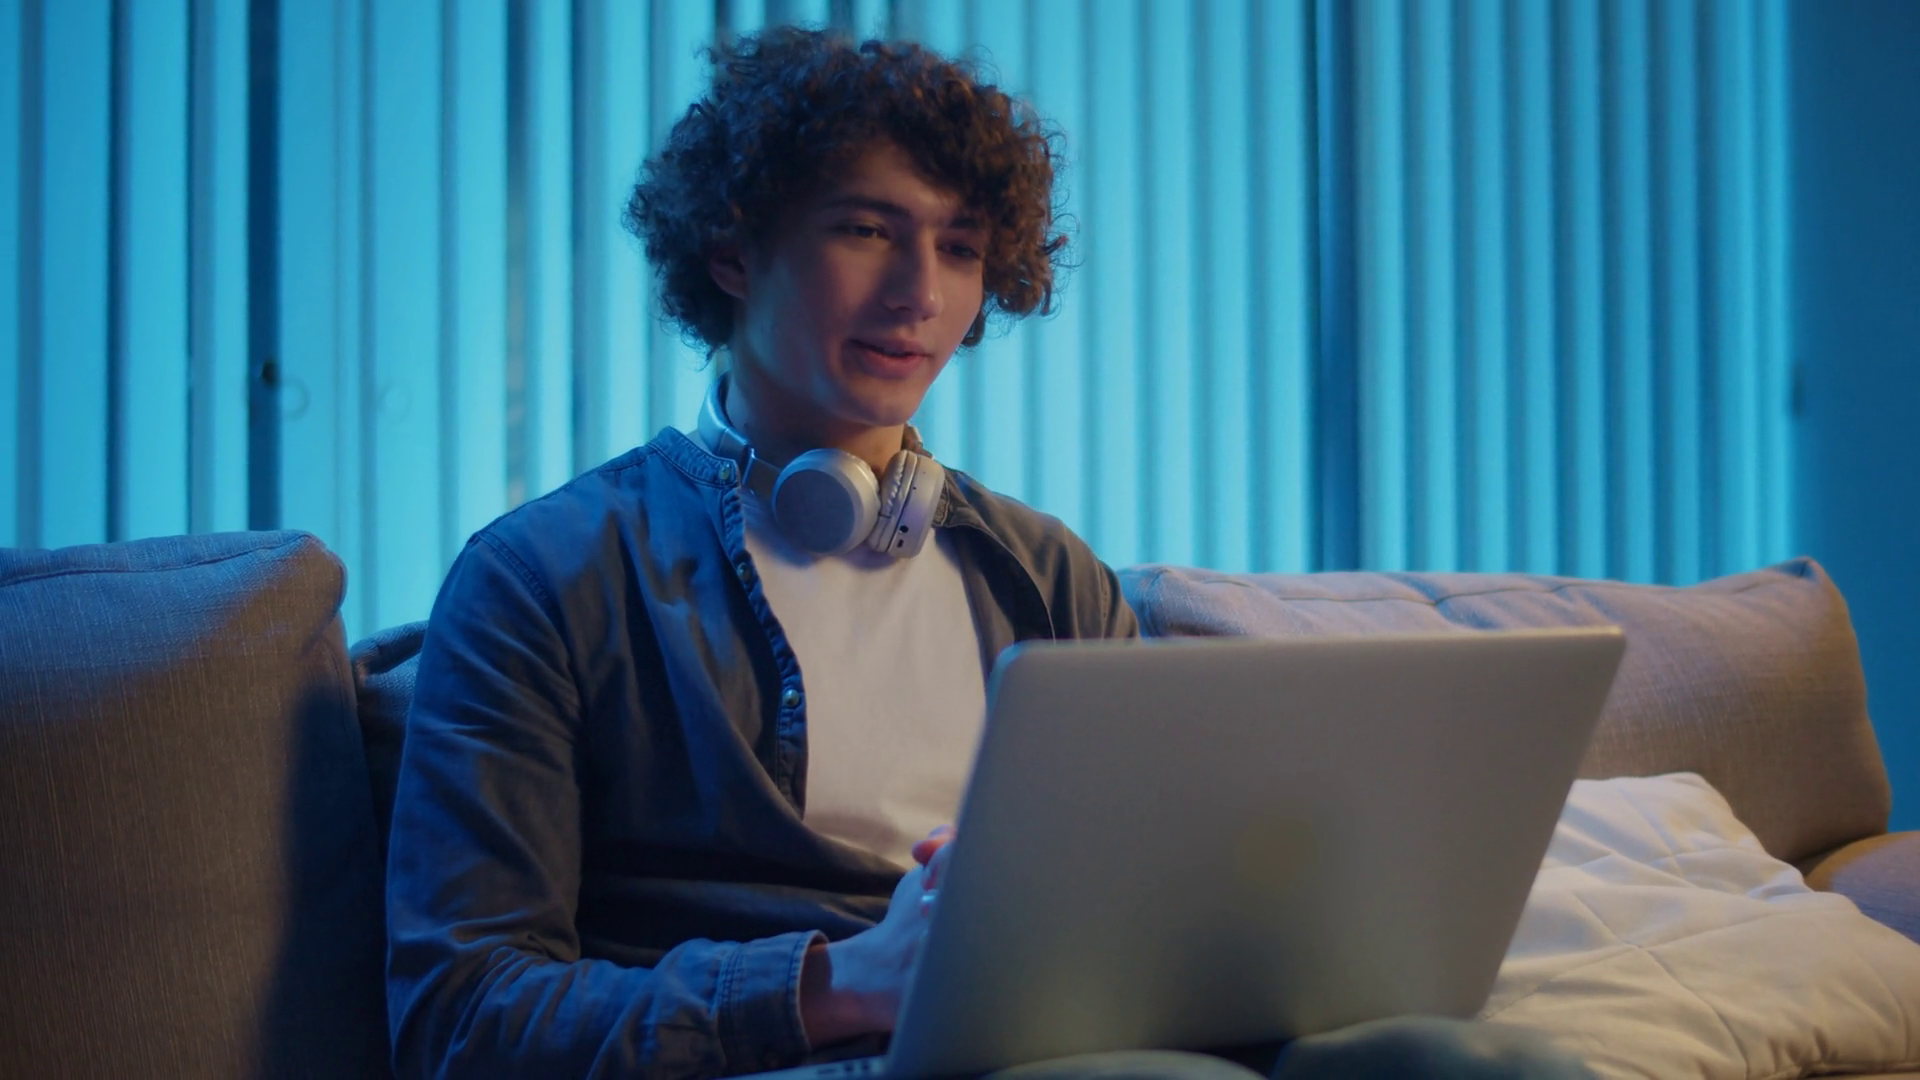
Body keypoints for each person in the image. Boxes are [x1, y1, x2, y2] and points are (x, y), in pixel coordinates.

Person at [384, 27, 1593, 1080]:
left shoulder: (1046, 575)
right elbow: (460, 1016)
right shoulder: (545, 576)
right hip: (800, 1054)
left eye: (961, 248)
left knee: (1476, 1061)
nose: (920, 293)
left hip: (1062, 1041)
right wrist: (839, 982)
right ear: (733, 251)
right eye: (868, 230)